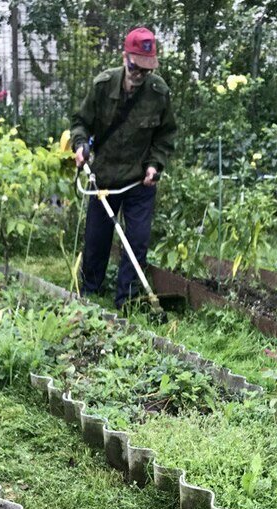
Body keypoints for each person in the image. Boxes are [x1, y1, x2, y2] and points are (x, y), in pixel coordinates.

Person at [70, 26, 177, 309]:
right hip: (103, 177)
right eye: (135, 67)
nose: (139, 75)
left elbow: (165, 136)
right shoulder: (103, 86)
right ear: (124, 57)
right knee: (96, 240)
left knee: (137, 240)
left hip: (139, 181)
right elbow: (80, 122)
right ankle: (91, 293)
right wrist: (80, 145)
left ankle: (126, 299)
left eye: (146, 69)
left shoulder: (158, 93)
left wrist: (155, 165)